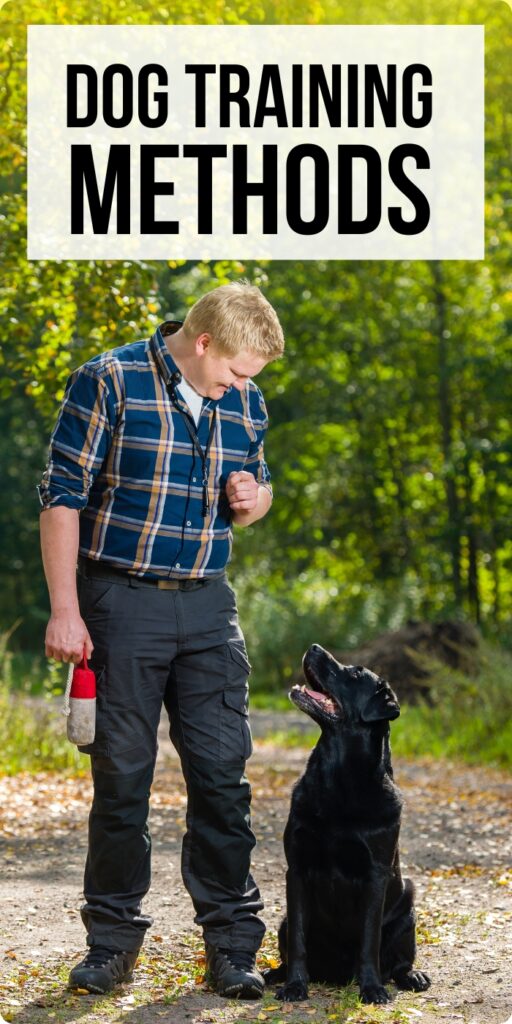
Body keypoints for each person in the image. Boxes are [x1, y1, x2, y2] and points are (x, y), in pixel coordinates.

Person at [39, 281, 285, 999]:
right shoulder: (109, 380)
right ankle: (111, 944)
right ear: (202, 342)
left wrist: (254, 501)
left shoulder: (246, 401)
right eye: (237, 371)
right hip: (120, 604)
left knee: (222, 782)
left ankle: (233, 946)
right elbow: (62, 497)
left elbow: (257, 492)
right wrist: (66, 610)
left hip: (210, 609)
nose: (243, 387)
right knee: (121, 784)